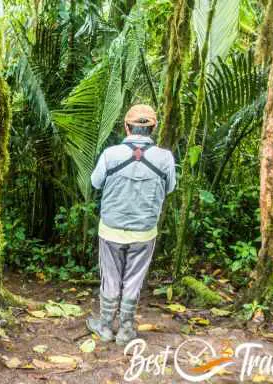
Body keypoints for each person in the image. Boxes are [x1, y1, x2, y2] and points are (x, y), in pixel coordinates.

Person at [87, 104, 176, 346]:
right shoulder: (165, 158)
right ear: (153, 128)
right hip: (144, 232)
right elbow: (170, 188)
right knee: (134, 279)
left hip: (111, 230)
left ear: (126, 127)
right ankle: (126, 330)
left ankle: (105, 326)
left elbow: (95, 183)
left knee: (111, 278)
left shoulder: (110, 153)